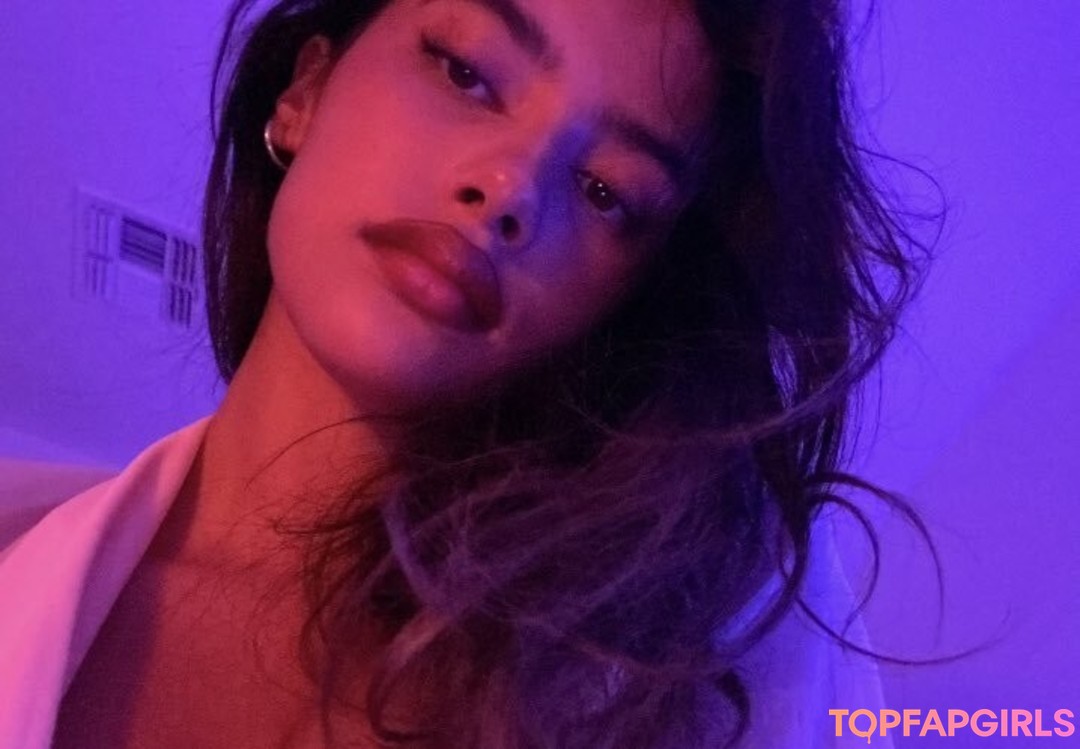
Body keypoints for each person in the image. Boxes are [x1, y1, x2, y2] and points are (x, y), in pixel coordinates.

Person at [0, 0, 931, 746]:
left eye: (606, 189)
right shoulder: (18, 552)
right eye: (466, 71)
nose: (512, 187)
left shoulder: (693, 664)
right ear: (304, 93)